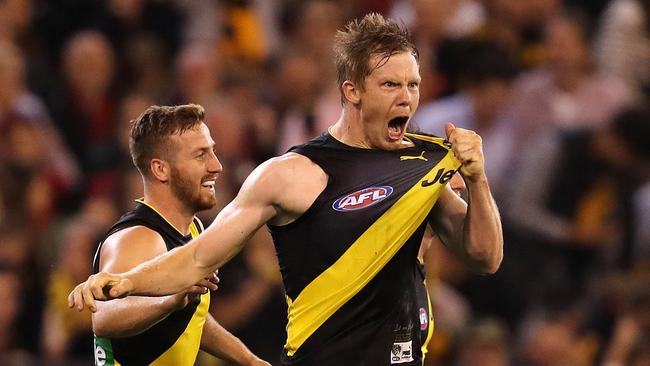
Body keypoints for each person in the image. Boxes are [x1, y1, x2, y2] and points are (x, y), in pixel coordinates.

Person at [69, 14, 503, 366]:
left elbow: (486, 257)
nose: (406, 98)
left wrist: (479, 180)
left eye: (412, 84)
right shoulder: (291, 174)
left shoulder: (426, 164)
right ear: (351, 90)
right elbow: (197, 259)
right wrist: (123, 282)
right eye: (390, 85)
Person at [83, 104, 269, 366]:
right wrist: (170, 302)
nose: (216, 166)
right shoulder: (138, 237)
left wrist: (248, 360)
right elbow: (104, 319)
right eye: (200, 155)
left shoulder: (193, 229)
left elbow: (189, 317)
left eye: (212, 151)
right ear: (161, 169)